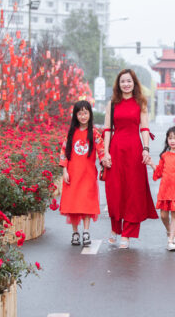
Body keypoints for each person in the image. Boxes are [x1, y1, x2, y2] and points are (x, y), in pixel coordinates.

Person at [102, 69, 158, 249]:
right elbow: (107, 129)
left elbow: (144, 128)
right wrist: (106, 153)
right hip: (116, 150)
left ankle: (127, 234)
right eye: (122, 82)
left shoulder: (141, 102)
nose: (126, 84)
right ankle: (114, 229)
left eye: (129, 81)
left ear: (134, 83)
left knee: (133, 192)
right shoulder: (112, 103)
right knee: (114, 191)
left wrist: (146, 149)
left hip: (134, 150)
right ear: (118, 85)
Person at [59, 100, 105, 247]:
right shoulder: (71, 133)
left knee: (86, 204)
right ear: (75, 115)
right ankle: (75, 232)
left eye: (85, 113)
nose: (83, 116)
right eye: (80, 113)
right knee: (73, 205)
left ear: (90, 114)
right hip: (72, 174)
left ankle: (86, 232)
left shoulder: (95, 133)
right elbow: (64, 153)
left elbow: (102, 150)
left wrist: (105, 161)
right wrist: (64, 170)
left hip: (88, 175)